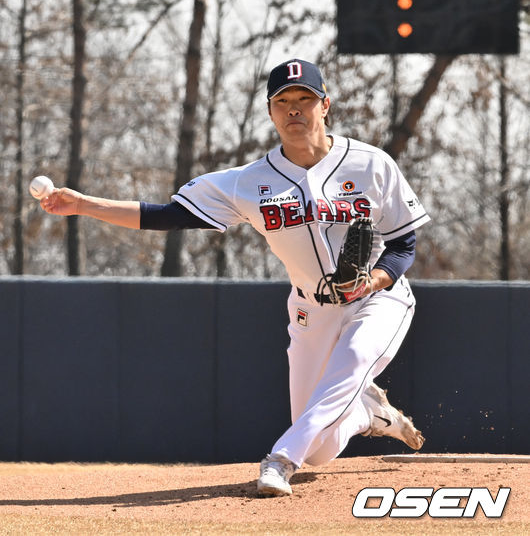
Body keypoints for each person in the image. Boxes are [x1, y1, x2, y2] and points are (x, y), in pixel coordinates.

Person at [41, 59, 430, 497]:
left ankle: (280, 460)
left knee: (356, 356)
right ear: (270, 112)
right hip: (311, 310)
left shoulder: (370, 164)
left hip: (380, 299)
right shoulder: (250, 181)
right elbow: (168, 215)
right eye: (283, 102)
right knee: (322, 450)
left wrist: (375, 280)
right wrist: (84, 205)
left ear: (326, 106)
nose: (294, 109)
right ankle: (371, 416)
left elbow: (404, 245)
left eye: (304, 99)